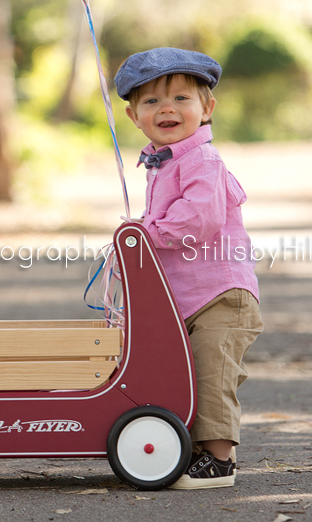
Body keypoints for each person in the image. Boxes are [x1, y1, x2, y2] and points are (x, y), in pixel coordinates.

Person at [114, 47, 263, 490]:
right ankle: (190, 447)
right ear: (133, 114)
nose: (167, 109)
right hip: (188, 297)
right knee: (180, 372)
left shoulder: (203, 161)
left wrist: (148, 233)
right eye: (152, 101)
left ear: (207, 108)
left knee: (212, 369)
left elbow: (200, 218)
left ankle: (219, 460)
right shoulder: (161, 162)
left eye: (181, 98)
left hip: (221, 295)